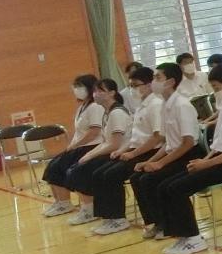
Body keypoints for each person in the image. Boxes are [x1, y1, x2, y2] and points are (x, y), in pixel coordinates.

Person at [154, 63, 222, 254]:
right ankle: (181, 234)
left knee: (177, 188)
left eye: (217, 88)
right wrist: (204, 160)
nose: (215, 93)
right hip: (216, 159)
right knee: (165, 185)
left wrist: (206, 164)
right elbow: (218, 144)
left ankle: (193, 239)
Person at [88, 67, 163, 236]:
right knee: (100, 172)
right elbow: (135, 137)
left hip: (151, 152)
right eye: (130, 85)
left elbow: (157, 138)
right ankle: (108, 217)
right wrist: (125, 149)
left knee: (113, 175)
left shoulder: (156, 105)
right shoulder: (141, 106)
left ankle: (119, 219)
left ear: (149, 84)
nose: (132, 89)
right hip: (137, 150)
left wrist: (133, 154)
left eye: (136, 85)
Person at [129, 63, 199, 241]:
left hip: (188, 155)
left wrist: (160, 163)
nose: (153, 82)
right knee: (138, 176)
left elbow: (187, 143)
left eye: (157, 78)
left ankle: (175, 228)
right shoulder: (166, 104)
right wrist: (150, 160)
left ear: (171, 81)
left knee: (155, 180)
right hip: (174, 153)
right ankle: (158, 222)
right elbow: (167, 142)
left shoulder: (182, 105)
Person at [61, 80, 130, 225]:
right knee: (77, 168)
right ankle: (97, 212)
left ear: (112, 93)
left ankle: (115, 217)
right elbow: (106, 141)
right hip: (111, 151)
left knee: (96, 173)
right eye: (95, 91)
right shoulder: (107, 113)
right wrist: (88, 155)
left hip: (120, 153)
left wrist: (91, 155)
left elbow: (115, 144)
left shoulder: (117, 112)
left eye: (101, 91)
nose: (96, 95)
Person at [41, 74, 104, 217]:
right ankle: (62, 203)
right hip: (79, 146)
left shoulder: (95, 107)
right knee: (53, 166)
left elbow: (94, 132)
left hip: (91, 146)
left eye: (80, 86)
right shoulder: (82, 107)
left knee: (71, 170)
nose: (76, 89)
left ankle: (88, 208)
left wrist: (76, 145)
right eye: (75, 86)